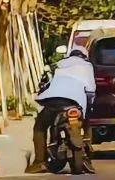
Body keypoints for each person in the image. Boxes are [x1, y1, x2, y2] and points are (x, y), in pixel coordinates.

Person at [27, 42, 96, 174]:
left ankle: (39, 162)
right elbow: (91, 91)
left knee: (40, 126)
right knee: (87, 122)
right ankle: (87, 153)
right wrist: (88, 109)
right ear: (85, 56)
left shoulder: (60, 64)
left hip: (54, 101)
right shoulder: (88, 66)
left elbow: (46, 84)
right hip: (76, 103)